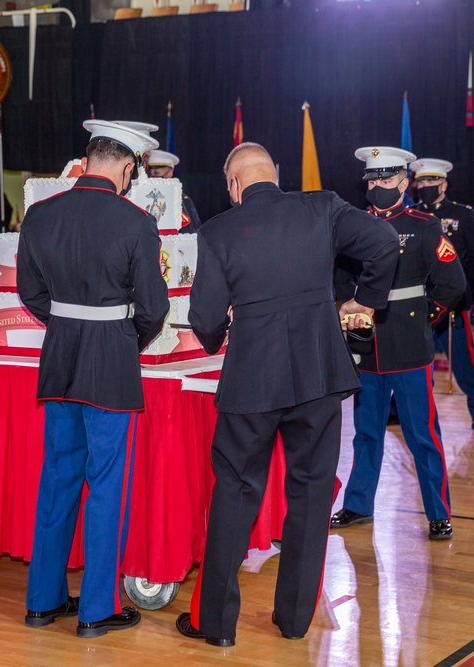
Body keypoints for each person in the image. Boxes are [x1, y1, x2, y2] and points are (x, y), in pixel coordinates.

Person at [175, 142, 400, 646]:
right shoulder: (321, 207)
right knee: (311, 493)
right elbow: (385, 241)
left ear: (234, 185)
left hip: (252, 382)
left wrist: (221, 331)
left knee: (234, 492)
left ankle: (215, 625)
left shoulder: (216, 231)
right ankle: (295, 620)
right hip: (320, 376)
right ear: (274, 175)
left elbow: (206, 320)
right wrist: (365, 300)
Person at [17, 120, 169, 638]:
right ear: (128, 166)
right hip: (110, 359)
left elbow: (29, 293)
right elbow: (154, 308)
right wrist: (125, 338)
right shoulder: (134, 221)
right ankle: (96, 609)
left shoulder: (40, 215)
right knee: (107, 486)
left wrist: (68, 321)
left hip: (59, 354)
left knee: (58, 477)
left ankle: (43, 599)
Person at [331, 146, 465, 541]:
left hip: (409, 345)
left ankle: (439, 513)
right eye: (372, 180)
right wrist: (346, 307)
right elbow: (339, 275)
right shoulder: (353, 225)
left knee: (421, 434)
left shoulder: (424, 225)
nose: (377, 187)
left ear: (404, 183)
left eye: (386, 180)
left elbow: (452, 283)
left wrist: (424, 320)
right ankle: (358, 504)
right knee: (366, 431)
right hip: (365, 343)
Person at [413, 158, 474, 435]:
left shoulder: (462, 214)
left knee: (462, 361)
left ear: (444, 184)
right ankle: (401, 411)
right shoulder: (412, 215)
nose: (425, 187)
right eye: (421, 182)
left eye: (431, 182)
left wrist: (455, 284)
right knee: (413, 362)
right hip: (419, 303)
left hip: (453, 304)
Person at [146, 150, 203, 233]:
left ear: (170, 173)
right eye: (150, 173)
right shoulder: (141, 195)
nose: (153, 178)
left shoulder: (181, 199)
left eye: (157, 173)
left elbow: (192, 230)